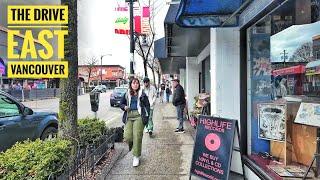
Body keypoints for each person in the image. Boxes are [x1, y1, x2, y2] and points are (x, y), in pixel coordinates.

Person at [120, 77, 150, 167]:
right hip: (129, 116)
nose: (135, 84)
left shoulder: (142, 94)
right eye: (133, 83)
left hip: (138, 116)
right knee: (128, 136)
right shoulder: (127, 93)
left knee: (137, 136)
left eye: (137, 83)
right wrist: (124, 107)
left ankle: (136, 156)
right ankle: (133, 146)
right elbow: (121, 103)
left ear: (138, 85)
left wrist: (146, 117)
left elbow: (147, 105)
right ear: (131, 84)